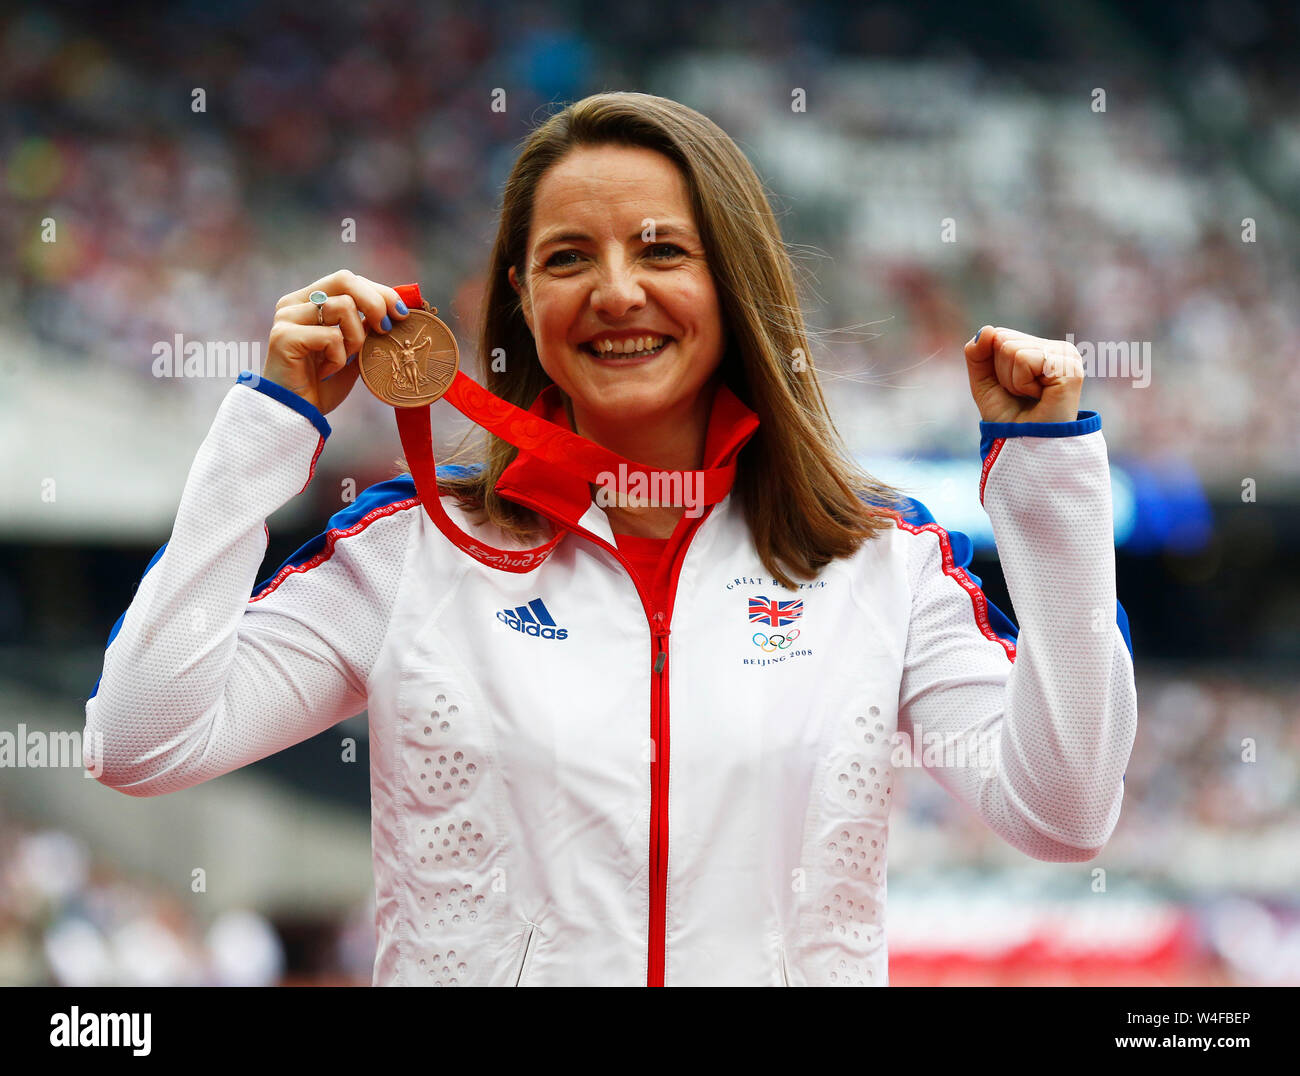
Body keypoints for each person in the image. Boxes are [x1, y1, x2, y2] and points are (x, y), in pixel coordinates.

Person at [84, 91, 1137, 987]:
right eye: (568, 256)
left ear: (734, 282)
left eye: (663, 249)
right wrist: (271, 424)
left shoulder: (877, 557)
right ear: (521, 297)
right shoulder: (412, 546)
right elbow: (139, 740)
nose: (617, 290)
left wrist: (1046, 483)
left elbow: (1065, 807)